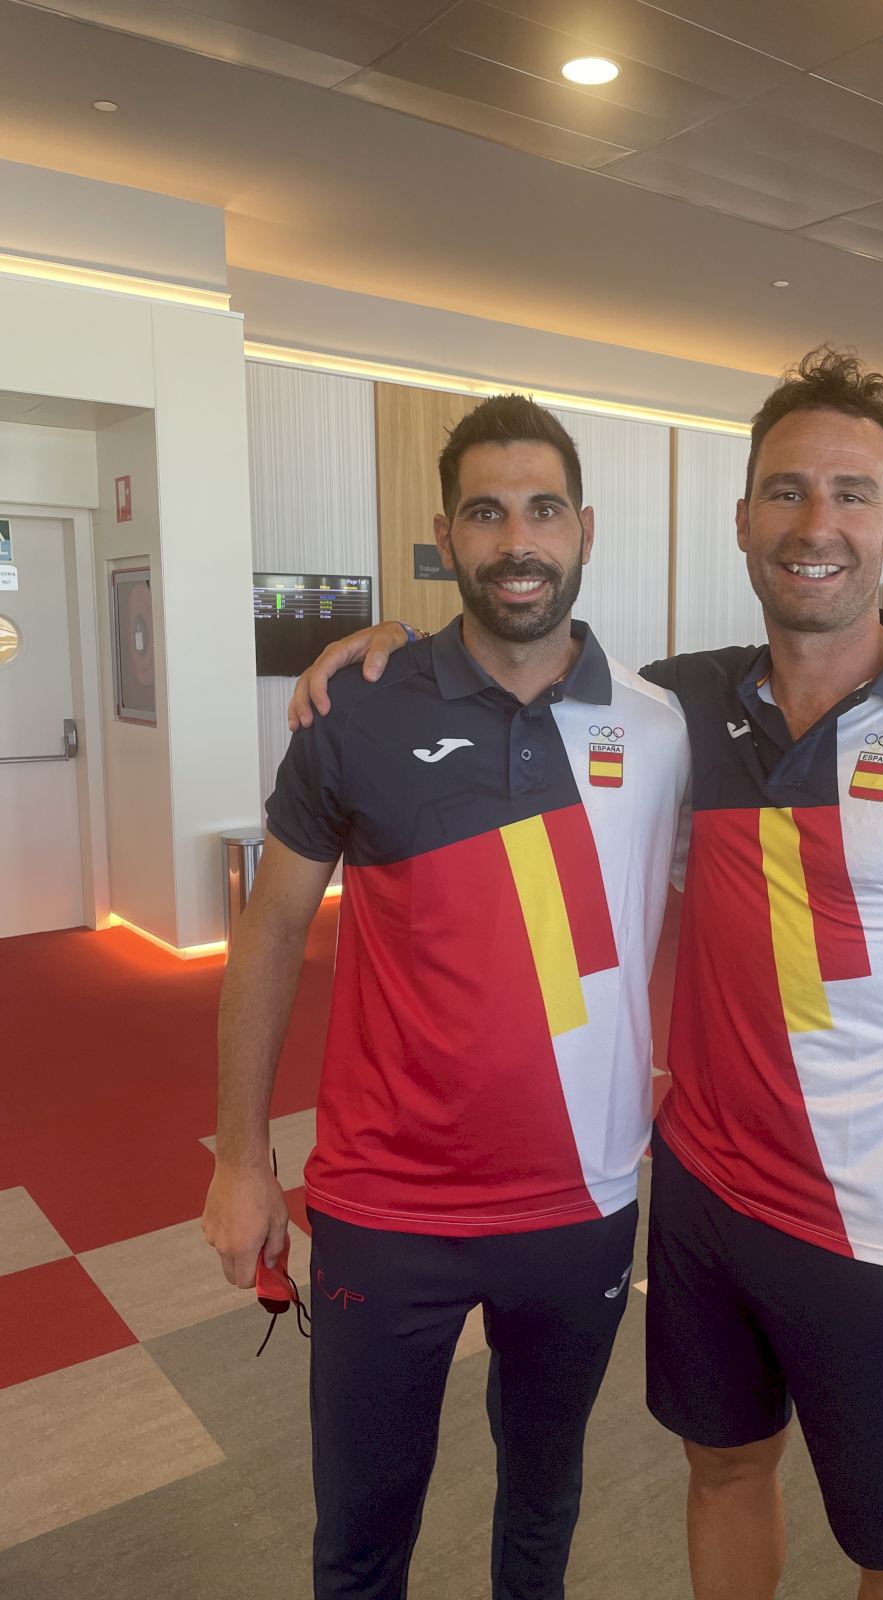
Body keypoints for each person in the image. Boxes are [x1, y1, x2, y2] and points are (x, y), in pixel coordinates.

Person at [291, 350, 883, 1600]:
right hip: (705, 1208)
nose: (816, 523)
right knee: (724, 1476)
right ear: (743, 518)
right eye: (787, 491)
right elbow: (526, 665)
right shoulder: (682, 709)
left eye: (852, 493)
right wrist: (390, 646)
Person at [202, 394, 694, 1600]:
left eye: (543, 510)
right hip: (387, 1204)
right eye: (486, 513)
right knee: (362, 1532)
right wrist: (242, 1158)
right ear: (444, 536)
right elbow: (270, 930)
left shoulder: (661, 726)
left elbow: (750, 884)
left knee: (543, 1502)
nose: (517, 540)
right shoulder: (358, 707)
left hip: (582, 1195)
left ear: (585, 529)